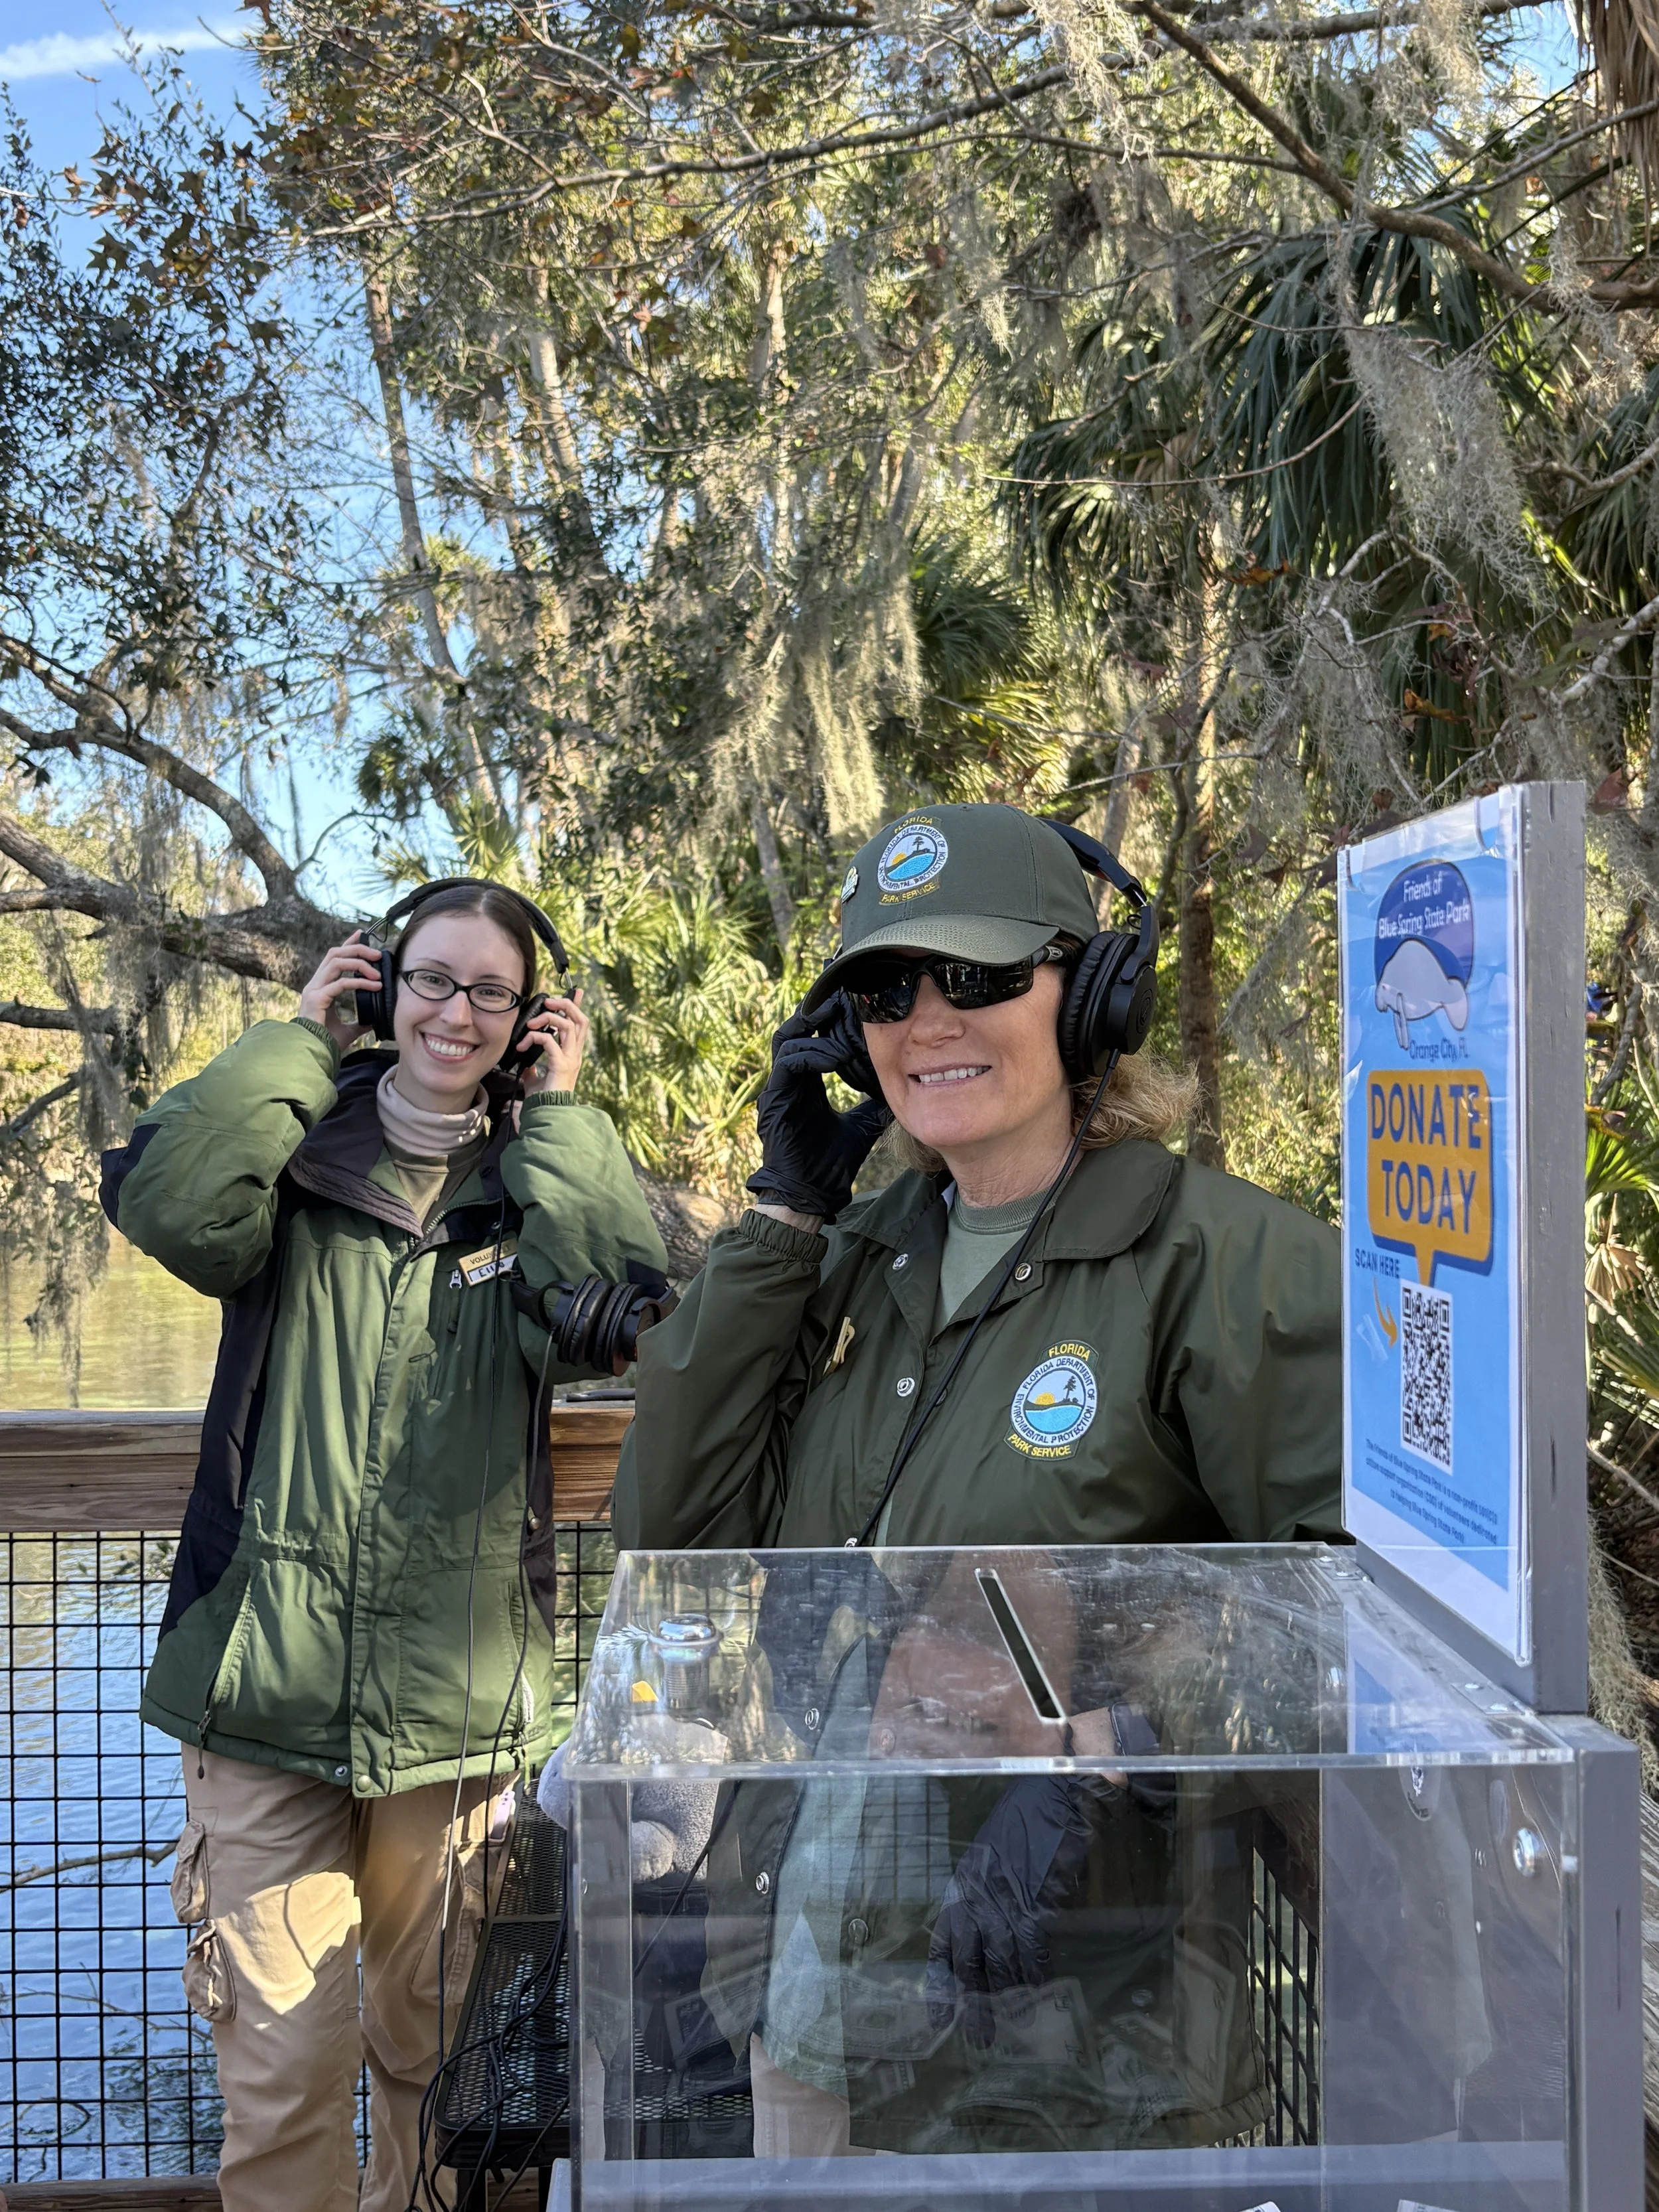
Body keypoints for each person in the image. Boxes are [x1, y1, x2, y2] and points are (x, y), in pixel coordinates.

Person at [613, 802, 1343, 2159]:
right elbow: (674, 1532)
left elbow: (1348, 1623)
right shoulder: (851, 1256)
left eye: (983, 977)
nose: (928, 1020)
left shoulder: (1224, 1264)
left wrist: (1102, 1747)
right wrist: (778, 1219)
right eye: (885, 989)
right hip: (809, 1970)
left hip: (1059, 2016)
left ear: (1091, 1000)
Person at [101, 879, 668, 2212]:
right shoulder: (291, 1169)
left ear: (527, 1020)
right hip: (260, 1698)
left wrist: (564, 1114)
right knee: (282, 2064)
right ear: (381, 983)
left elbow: (620, 1310)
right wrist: (299, 1039)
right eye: (429, 979)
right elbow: (172, 1203)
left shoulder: (531, 1191)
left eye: (489, 992)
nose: (453, 1013)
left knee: (442, 2064)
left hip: (458, 1717)